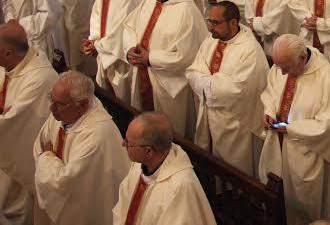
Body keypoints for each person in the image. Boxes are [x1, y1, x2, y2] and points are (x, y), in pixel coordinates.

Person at [259, 34, 330, 225]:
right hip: (280, 145)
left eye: (287, 68)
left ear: (302, 58)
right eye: (279, 68)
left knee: (306, 203)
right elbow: (271, 91)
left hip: (310, 152)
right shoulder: (283, 65)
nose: (283, 73)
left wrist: (292, 128)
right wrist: (269, 111)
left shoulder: (326, 77)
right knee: (283, 197)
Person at [33, 71, 130, 225]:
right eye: (51, 99)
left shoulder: (97, 135)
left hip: (84, 208)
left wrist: (46, 157)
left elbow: (65, 181)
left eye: (59, 104)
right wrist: (46, 155)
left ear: (83, 104)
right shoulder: (64, 113)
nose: (52, 108)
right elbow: (41, 143)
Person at [122, 0, 207, 134]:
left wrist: (150, 58)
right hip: (143, 75)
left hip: (169, 85)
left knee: (168, 133)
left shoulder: (186, 11)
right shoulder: (148, 0)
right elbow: (129, 26)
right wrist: (130, 49)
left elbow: (187, 56)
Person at [186, 1, 268, 176]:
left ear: (233, 23)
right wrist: (212, 82)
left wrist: (205, 82)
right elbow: (193, 71)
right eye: (210, 21)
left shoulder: (250, 50)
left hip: (235, 121)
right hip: (209, 112)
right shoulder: (211, 40)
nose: (211, 27)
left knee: (234, 171)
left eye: (216, 23)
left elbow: (236, 89)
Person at [113, 112, 216, 225]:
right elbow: (122, 209)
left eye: (129, 143)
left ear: (148, 151)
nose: (123, 144)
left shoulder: (180, 188)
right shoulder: (139, 165)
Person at [0, 23, 57, 224]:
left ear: (7, 53)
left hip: (20, 152)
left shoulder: (40, 78)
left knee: (16, 204)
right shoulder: (13, 64)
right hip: (7, 151)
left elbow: (15, 124)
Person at [84, 0, 144, 101]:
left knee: (122, 101)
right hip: (104, 51)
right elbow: (97, 13)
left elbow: (122, 29)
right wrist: (94, 38)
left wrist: (98, 45)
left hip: (120, 58)